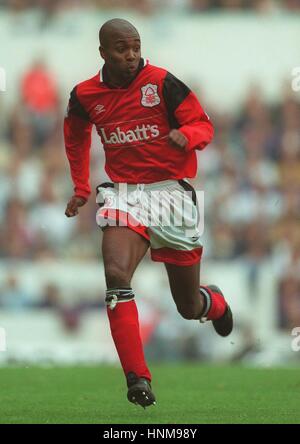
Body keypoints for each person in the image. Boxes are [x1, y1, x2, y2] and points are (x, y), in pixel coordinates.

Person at [64, 18, 233, 409]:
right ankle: (137, 379)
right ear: (103, 52)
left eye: (136, 47)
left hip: (171, 193)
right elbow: (74, 135)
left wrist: (186, 135)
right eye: (123, 49)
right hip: (124, 193)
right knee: (115, 274)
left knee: (188, 307)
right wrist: (81, 187)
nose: (132, 55)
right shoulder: (85, 95)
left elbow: (203, 125)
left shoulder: (162, 83)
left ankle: (215, 304)